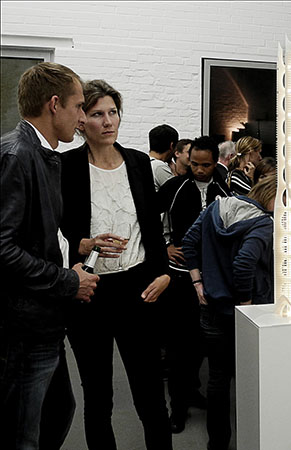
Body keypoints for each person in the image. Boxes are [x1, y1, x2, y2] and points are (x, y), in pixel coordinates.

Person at [60, 79, 172, 450]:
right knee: (98, 397)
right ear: (81, 121)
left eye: (113, 112)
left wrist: (163, 273)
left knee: (151, 395)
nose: (108, 121)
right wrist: (81, 244)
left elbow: (151, 226)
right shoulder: (66, 167)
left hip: (138, 288)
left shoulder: (138, 162)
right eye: (97, 114)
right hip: (90, 292)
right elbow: (55, 230)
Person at [0, 62, 99, 450]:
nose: (82, 118)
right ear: (54, 104)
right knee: (23, 434)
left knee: (56, 413)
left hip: (40, 319)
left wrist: (76, 252)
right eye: (79, 106)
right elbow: (3, 248)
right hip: (23, 326)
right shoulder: (18, 156)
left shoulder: (39, 154)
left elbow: (35, 236)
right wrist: (68, 281)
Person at [182, 175, 276, 450]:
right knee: (251, 377)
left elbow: (188, 242)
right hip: (247, 312)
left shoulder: (216, 207)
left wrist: (197, 282)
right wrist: (246, 302)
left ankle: (218, 443)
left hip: (211, 306)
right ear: (271, 196)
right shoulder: (262, 223)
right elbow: (244, 263)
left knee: (218, 378)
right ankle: (255, 440)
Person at [156, 136, 230, 433]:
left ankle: (192, 391)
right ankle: (177, 406)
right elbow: (146, 217)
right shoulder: (175, 187)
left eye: (206, 165)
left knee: (202, 343)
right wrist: (164, 247)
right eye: (195, 164)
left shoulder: (223, 191)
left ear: (215, 162)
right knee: (178, 345)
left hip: (211, 277)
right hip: (180, 275)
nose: (199, 170)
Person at [149, 124, 179, 191]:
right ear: (171, 145)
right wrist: (175, 173)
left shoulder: (145, 163)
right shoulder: (159, 166)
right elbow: (178, 192)